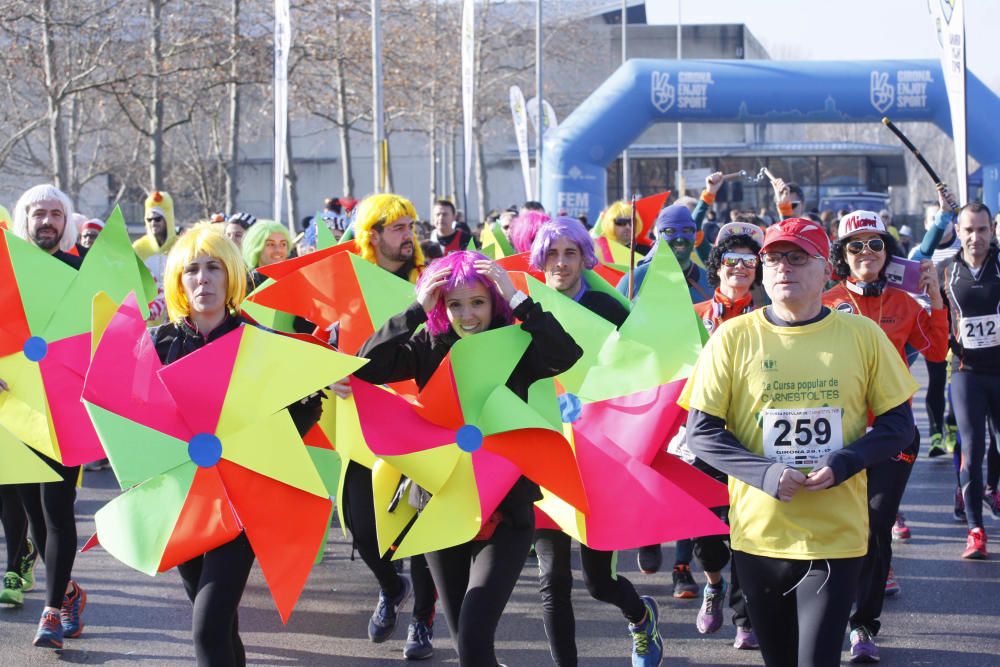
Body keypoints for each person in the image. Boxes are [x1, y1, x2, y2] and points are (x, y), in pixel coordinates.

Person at [680, 217, 918, 667]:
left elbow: (898, 425)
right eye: (772, 258)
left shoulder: (862, 335)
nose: (782, 267)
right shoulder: (733, 338)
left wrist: (846, 461)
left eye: (796, 257)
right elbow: (702, 432)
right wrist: (767, 473)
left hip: (835, 536)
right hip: (759, 535)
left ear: (826, 270)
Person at [355, 250, 582, 667]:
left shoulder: (515, 342)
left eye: (477, 302)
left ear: (492, 303)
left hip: (506, 510)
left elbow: (566, 354)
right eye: (455, 304)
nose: (468, 314)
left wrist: (518, 300)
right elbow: (366, 367)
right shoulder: (427, 343)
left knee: (476, 636)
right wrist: (415, 309)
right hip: (442, 503)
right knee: (470, 652)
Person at [527, 218, 663, 667]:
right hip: (546, 455)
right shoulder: (523, 308)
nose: (561, 263)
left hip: (600, 457)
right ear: (539, 259)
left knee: (599, 583)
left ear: (585, 257)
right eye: (551, 254)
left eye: (570, 253)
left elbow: (648, 367)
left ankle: (641, 618)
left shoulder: (607, 306)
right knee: (552, 581)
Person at [822, 210, 948, 662]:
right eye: (855, 246)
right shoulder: (828, 301)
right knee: (842, 525)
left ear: (887, 252)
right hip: (841, 433)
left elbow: (936, 350)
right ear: (842, 254)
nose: (867, 253)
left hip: (894, 433)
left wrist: (934, 298)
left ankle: (862, 625)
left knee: (876, 527)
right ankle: (830, 609)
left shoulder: (906, 301)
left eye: (876, 245)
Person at [342, 194, 438, 659]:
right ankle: (389, 585)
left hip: (421, 421)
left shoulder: (431, 280)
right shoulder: (349, 284)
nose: (409, 235)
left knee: (420, 529)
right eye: (398, 227)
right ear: (373, 235)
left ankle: (422, 621)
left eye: (411, 226)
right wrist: (331, 373)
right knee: (362, 524)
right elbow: (324, 343)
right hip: (360, 422)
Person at [3, 184, 86, 648]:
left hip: (64, 410)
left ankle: (51, 612)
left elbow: (106, 336)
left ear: (66, 222)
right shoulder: (5, 274)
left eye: (56, 213)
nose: (48, 221)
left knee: (56, 512)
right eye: (39, 213)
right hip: (14, 409)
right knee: (33, 512)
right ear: (25, 219)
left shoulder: (80, 273)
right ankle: (69, 588)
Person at [687, 221, 764, 650]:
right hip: (704, 438)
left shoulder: (769, 319)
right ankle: (712, 584)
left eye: (749, 260)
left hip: (752, 438)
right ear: (717, 266)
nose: (740, 267)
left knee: (746, 532)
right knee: (707, 537)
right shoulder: (697, 317)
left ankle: (745, 619)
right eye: (731, 259)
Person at [942, 202, 1000, 560]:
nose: (975, 237)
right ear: (958, 232)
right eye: (968, 230)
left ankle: (991, 487)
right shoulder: (945, 270)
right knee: (972, 447)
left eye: (982, 230)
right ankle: (975, 531)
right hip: (966, 372)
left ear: (992, 231)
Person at [618, 204, 711, 303]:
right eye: (670, 231)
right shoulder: (635, 280)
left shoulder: (710, 282)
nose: (679, 239)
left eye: (687, 230)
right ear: (658, 236)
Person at [133, 191, 178, 323]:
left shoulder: (180, 245)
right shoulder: (138, 248)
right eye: (149, 219)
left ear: (167, 219)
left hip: (175, 319)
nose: (153, 223)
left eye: (158, 218)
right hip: (148, 321)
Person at [241, 220, 292, 289]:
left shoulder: (296, 280)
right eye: (270, 244)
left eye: (283, 244)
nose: (278, 250)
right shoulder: (244, 285)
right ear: (256, 248)